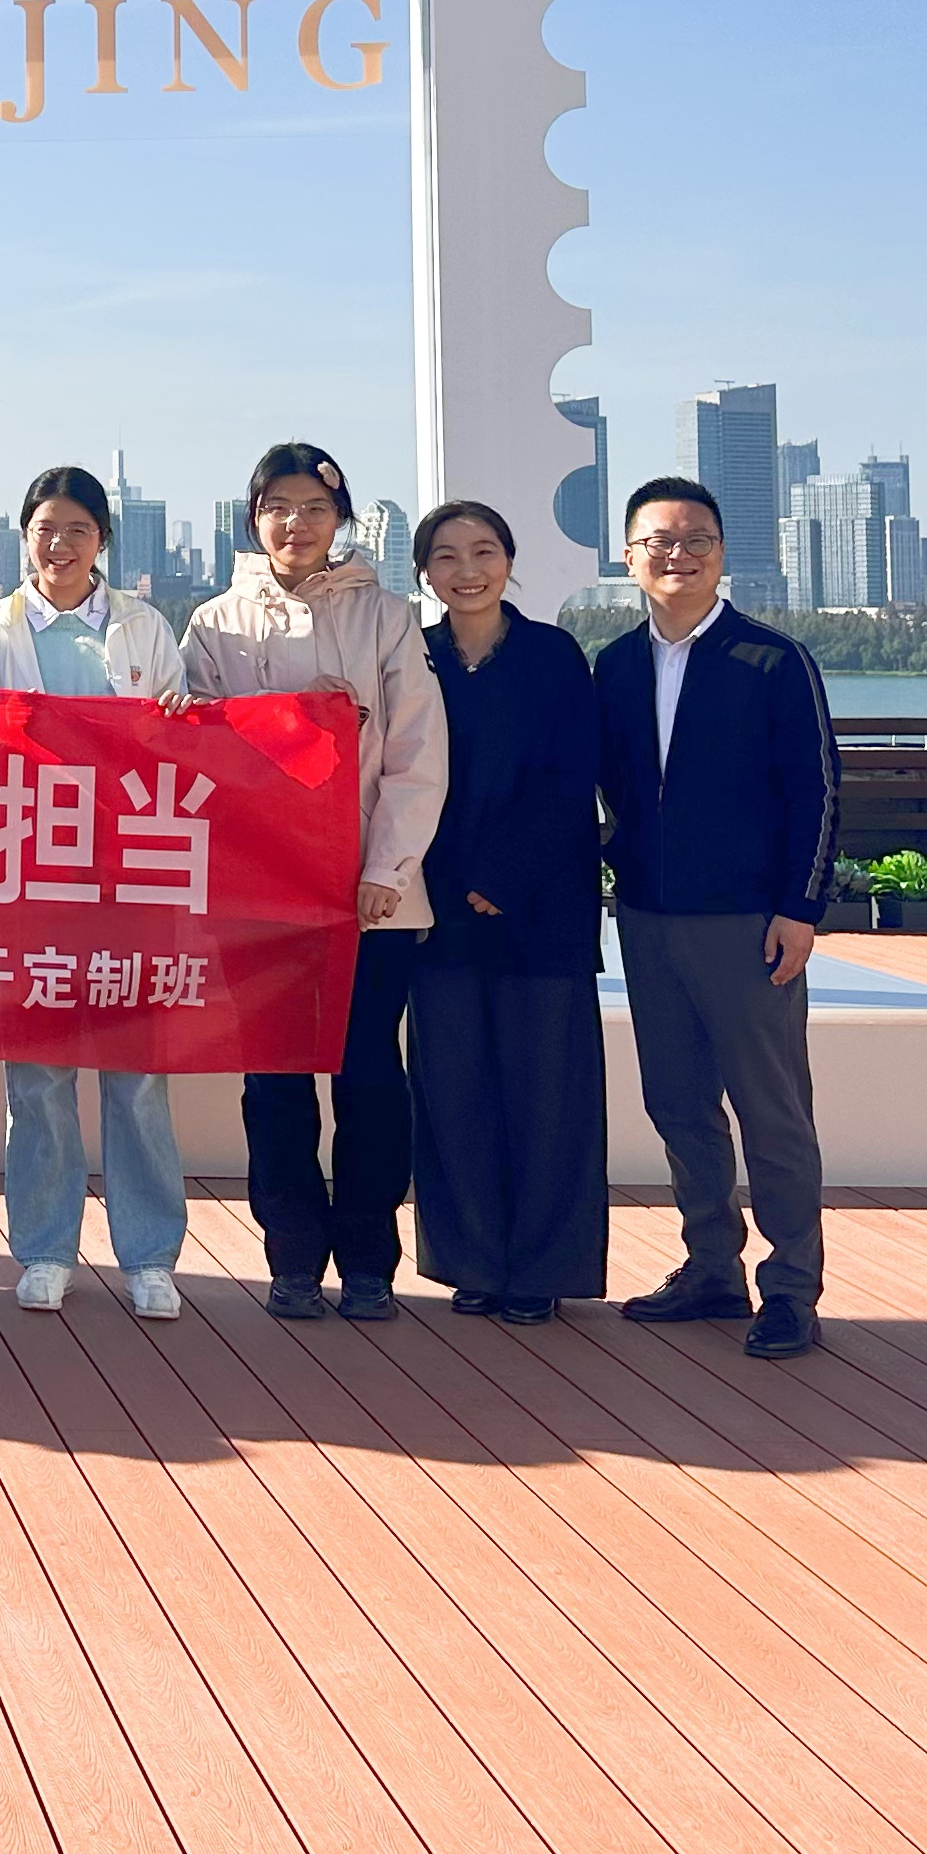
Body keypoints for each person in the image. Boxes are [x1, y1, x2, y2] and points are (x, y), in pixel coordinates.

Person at [186, 443, 448, 1322]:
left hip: (372, 898)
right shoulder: (215, 624)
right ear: (252, 519)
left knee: (369, 1077)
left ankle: (370, 1259)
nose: (295, 524)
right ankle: (292, 1255)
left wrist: (387, 869)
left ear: (341, 519)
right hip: (260, 898)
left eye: (314, 508)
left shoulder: (386, 617)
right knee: (275, 1083)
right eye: (277, 508)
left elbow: (418, 753)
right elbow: (198, 754)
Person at [598, 476, 839, 1359]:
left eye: (695, 538)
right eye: (658, 541)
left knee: (772, 1112)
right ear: (630, 557)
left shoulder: (772, 660)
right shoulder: (615, 665)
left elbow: (817, 790)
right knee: (678, 1104)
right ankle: (711, 1268)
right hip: (647, 918)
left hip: (747, 925)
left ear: (722, 552)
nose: (678, 554)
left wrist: (800, 908)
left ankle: (792, 1288)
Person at [0, 468, 193, 1317]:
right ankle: (45, 1247)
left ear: (103, 541)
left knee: (138, 1073)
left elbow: (181, 751)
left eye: (78, 530)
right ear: (24, 536)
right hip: (32, 874)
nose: (60, 545)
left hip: (130, 876)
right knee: (38, 1076)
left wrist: (180, 716)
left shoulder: (145, 627)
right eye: (46, 529)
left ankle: (150, 1254)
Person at [407, 501, 608, 1323]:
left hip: (541, 909)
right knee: (454, 1091)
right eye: (447, 556)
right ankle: (473, 1261)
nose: (468, 570)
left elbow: (573, 777)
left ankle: (541, 1270)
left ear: (510, 560)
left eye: (484, 551)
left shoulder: (554, 656)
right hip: (437, 908)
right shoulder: (413, 657)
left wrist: (505, 874)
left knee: (547, 1095)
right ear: (424, 573)